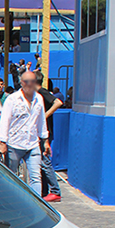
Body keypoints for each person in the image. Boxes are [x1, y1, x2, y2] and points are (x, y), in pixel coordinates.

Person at [0, 70, 49, 194]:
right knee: (11, 175)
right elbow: (5, 120)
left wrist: (45, 140)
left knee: (36, 178)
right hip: (14, 143)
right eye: (26, 81)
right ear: (21, 82)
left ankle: (36, 206)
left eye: (32, 81)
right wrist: (2, 141)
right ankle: (10, 199)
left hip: (32, 143)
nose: (29, 84)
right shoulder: (12, 99)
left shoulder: (39, 99)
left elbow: (41, 120)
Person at [36, 73, 63, 202]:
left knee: (44, 161)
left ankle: (55, 191)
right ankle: (44, 190)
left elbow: (58, 102)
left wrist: (45, 115)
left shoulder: (41, 92)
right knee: (41, 162)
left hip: (45, 132)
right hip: (42, 132)